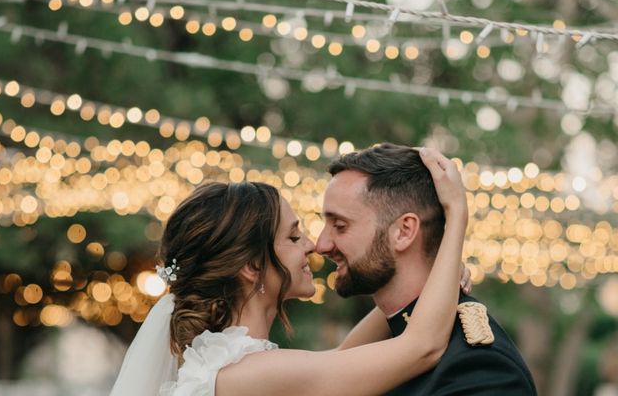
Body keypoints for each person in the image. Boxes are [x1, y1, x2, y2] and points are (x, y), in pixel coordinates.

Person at [110, 148, 467, 396]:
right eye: (294, 236)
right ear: (251, 267)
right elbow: (421, 348)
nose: (313, 245)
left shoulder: (232, 367)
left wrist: (437, 278)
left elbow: (343, 358)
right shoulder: (251, 373)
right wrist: (456, 214)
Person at [317, 143, 538, 395]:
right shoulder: (391, 341)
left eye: (340, 225)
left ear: (404, 231)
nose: (320, 245)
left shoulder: (478, 368)